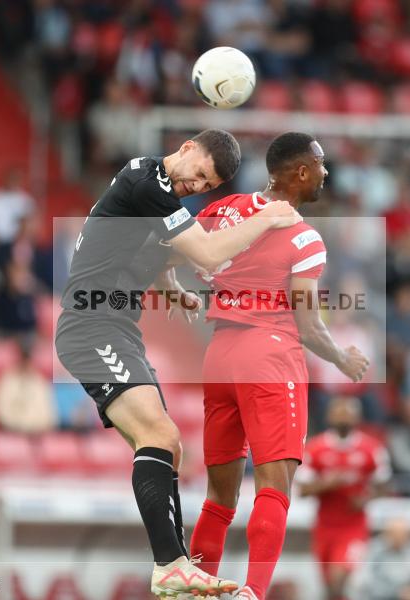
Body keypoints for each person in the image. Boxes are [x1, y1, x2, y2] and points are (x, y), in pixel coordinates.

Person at [54, 129, 300, 597]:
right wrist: (267, 217)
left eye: (206, 186)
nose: (196, 187)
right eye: (199, 175)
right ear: (186, 148)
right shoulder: (148, 180)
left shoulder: (155, 190)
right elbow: (205, 251)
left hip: (116, 328)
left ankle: (176, 570)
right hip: (92, 326)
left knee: (170, 447)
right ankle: (170, 566)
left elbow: (156, 249)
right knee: (160, 436)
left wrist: (173, 289)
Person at [184, 133, 370, 600]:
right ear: (302, 171)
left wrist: (173, 287)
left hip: (220, 355)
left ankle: (192, 590)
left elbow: (173, 248)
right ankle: (252, 593)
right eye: (321, 165)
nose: (327, 173)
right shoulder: (305, 238)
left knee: (219, 499)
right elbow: (308, 327)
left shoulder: (225, 208)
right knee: (275, 486)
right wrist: (342, 357)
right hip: (270, 357)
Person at [298, 396, 389, 600]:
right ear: (329, 416)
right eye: (339, 413)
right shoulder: (316, 448)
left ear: (358, 417)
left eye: (348, 413)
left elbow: (384, 485)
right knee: (330, 587)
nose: (343, 418)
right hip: (324, 527)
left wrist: (366, 498)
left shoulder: (372, 449)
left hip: (354, 527)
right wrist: (326, 484)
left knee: (338, 579)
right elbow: (302, 490)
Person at [360, 517, 410, 600]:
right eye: (395, 534)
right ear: (387, 534)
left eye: (404, 535)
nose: (400, 539)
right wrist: (397, 592)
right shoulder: (374, 549)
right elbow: (365, 582)